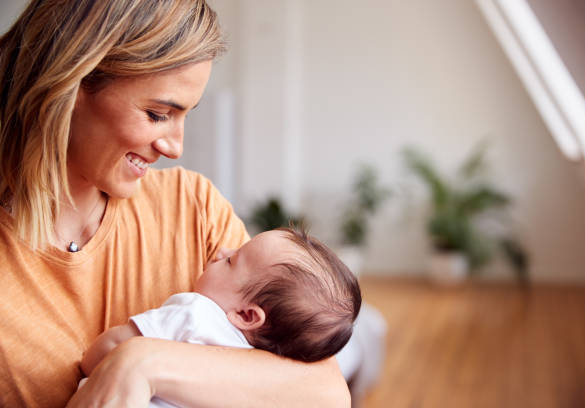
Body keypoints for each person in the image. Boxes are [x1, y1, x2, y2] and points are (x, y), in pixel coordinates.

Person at [0, 1, 350, 407]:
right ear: (69, 83)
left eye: (184, 116)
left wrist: (140, 363)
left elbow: (324, 393)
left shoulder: (192, 207)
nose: (175, 147)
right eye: (156, 114)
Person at [80, 227, 362, 407]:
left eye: (231, 260)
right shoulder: (264, 367)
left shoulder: (195, 314)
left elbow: (102, 354)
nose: (221, 250)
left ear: (247, 314)